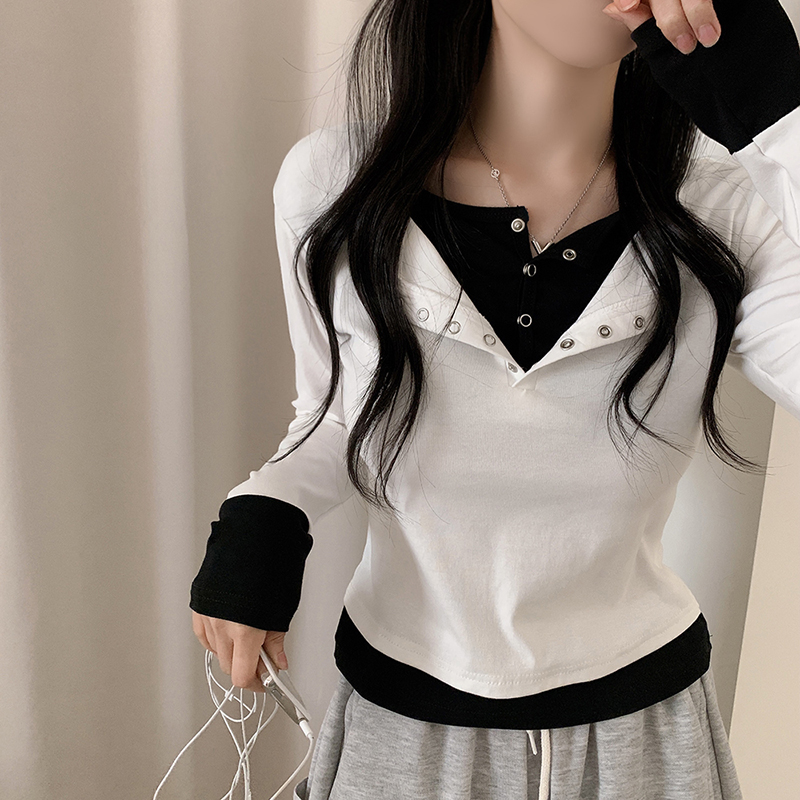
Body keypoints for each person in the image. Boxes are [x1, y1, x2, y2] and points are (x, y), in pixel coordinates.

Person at [190, 0, 800, 797]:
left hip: (643, 737)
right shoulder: (335, 185)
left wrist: (781, 114)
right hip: (404, 728)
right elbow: (338, 412)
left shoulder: (728, 210)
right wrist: (266, 509)